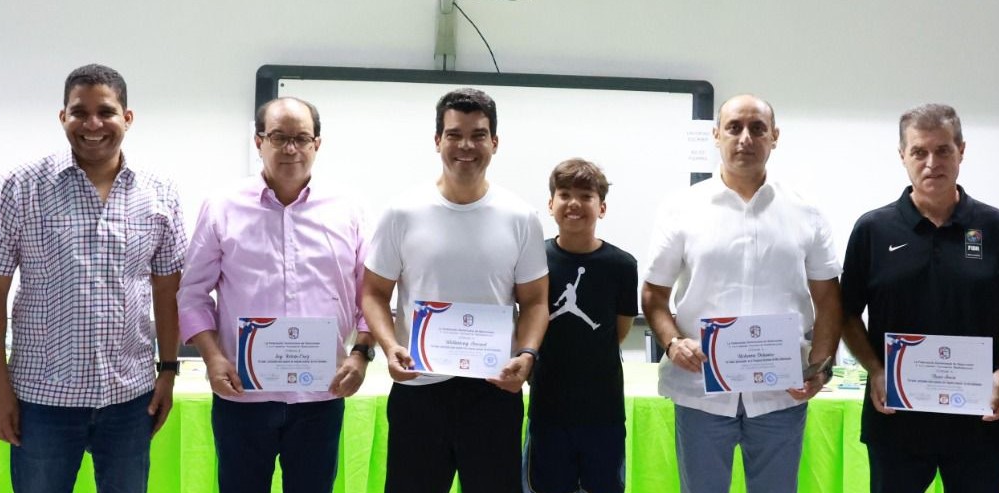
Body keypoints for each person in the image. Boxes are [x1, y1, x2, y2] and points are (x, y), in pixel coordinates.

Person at [0, 63, 187, 492]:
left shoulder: (159, 192)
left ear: (127, 117)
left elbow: (167, 288)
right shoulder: (20, 187)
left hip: (129, 397)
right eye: (79, 112)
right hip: (42, 398)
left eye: (106, 112)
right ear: (62, 116)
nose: (92, 124)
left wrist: (168, 370)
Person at [641, 94, 843, 493]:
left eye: (757, 128)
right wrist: (673, 343)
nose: (745, 138)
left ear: (774, 137)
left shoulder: (806, 211)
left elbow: (829, 299)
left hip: (780, 394)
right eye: (734, 128)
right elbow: (653, 295)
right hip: (700, 392)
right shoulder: (681, 207)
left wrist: (820, 366)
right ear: (716, 135)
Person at [838, 103, 999, 493]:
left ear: (961, 151)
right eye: (919, 152)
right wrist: (875, 370)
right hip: (895, 418)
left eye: (943, 150)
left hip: (979, 420)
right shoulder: (872, 230)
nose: (932, 163)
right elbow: (846, 315)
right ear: (902, 156)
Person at [177, 96, 372, 493]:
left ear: (317, 144)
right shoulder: (222, 207)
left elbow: (370, 294)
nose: (290, 149)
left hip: (320, 395)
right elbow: (192, 293)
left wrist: (361, 354)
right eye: (278, 137)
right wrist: (212, 357)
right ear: (259, 142)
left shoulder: (348, 208)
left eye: (301, 138)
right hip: (242, 395)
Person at [360, 87, 550, 493]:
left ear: (494, 142)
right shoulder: (402, 212)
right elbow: (373, 293)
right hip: (419, 390)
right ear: (437, 140)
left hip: (494, 390)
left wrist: (527, 355)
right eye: (454, 134)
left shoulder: (521, 216)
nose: (466, 145)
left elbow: (535, 301)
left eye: (478, 135)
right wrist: (390, 346)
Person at [526, 158, 639, 493]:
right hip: (548, 410)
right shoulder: (533, 259)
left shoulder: (622, 265)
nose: (574, 203)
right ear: (551, 204)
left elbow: (618, 332)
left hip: (603, 411)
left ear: (601, 208)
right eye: (564, 194)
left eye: (586, 196)